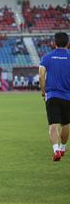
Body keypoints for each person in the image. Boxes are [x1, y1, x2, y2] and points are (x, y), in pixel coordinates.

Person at [38, 32, 70, 161]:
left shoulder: (47, 57)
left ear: (54, 43)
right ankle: (62, 148)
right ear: (67, 43)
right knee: (66, 124)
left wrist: (43, 91)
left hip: (52, 95)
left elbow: (41, 76)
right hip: (68, 96)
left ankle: (56, 150)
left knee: (52, 125)